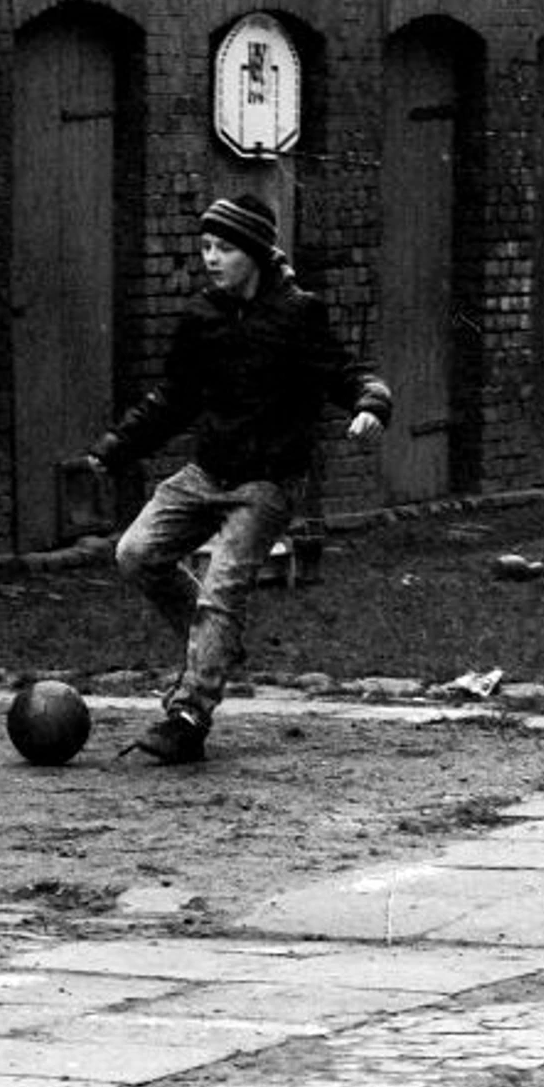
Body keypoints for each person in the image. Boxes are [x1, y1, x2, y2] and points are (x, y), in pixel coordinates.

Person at [86, 193, 391, 764]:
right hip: (207, 472)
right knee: (135, 554)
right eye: (205, 247)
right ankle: (218, 648)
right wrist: (116, 447)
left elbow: (343, 373)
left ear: (254, 252)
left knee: (223, 589)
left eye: (224, 247)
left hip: (267, 482)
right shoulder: (202, 318)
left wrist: (371, 402)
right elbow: (173, 398)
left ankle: (188, 714)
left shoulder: (299, 313)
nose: (211, 258)